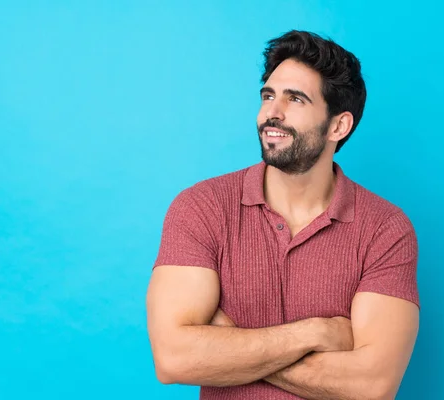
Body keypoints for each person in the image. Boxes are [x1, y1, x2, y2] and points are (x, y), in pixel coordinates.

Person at [146, 30, 420, 400]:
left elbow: (371, 386)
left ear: (338, 126)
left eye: (296, 99)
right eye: (268, 96)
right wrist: (314, 334)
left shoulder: (385, 229)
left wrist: (230, 345)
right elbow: (174, 358)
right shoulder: (202, 207)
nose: (272, 113)